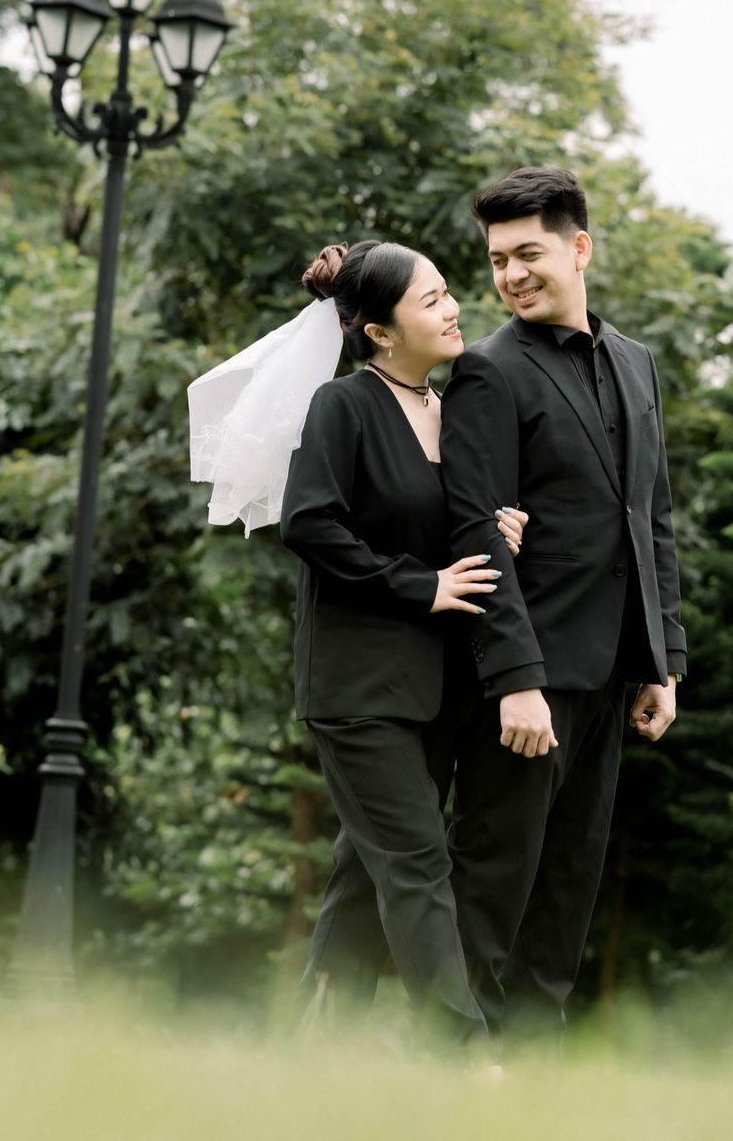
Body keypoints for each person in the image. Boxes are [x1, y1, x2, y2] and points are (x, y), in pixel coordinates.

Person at [439, 166, 687, 1044]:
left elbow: (652, 517)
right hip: (526, 682)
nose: (511, 275)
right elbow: (477, 535)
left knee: (570, 886)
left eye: (528, 254)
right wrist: (515, 680)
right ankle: (456, 1057)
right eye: (498, 260)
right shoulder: (486, 372)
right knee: (493, 878)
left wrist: (663, 660)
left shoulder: (637, 363)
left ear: (579, 249)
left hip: (613, 674)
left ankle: (530, 1065)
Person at [279, 238, 528, 1048]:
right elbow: (309, 523)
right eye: (431, 300)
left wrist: (494, 531)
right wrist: (420, 586)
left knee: (366, 875)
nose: (454, 309)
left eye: (448, 292)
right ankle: (466, 1055)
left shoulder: (450, 411)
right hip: (358, 688)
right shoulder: (343, 406)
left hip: (433, 686)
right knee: (419, 863)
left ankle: (316, 1057)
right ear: (380, 332)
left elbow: (442, 527)